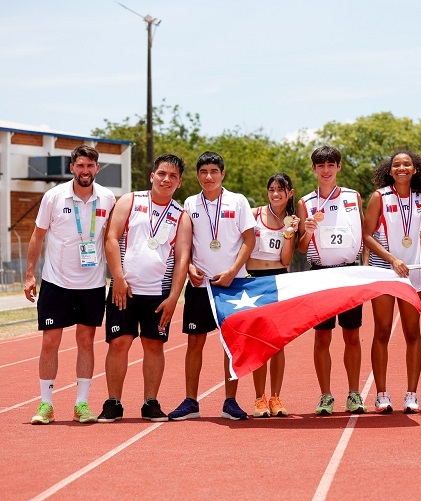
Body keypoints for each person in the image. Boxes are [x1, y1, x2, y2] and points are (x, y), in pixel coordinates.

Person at [25, 145, 116, 424]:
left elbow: (111, 240)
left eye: (90, 166)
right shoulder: (53, 197)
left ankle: (81, 404)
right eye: (80, 166)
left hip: (91, 283)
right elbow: (38, 236)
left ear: (97, 169)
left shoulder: (108, 198)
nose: (85, 171)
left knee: (86, 341)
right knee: (50, 341)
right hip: (56, 281)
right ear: (72, 168)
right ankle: (46, 405)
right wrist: (30, 274)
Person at [98, 154, 191, 422]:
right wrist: (118, 278)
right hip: (123, 290)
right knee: (119, 343)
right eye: (162, 173)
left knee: (154, 346)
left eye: (173, 176)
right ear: (152, 176)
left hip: (158, 294)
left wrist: (175, 297)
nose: (166, 179)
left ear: (179, 182)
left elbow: (183, 257)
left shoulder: (180, 215)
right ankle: (113, 402)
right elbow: (112, 238)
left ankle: (150, 402)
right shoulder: (130, 200)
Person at [167, 152, 256, 421]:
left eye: (214, 171)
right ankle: (191, 401)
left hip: (233, 284)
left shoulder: (238, 201)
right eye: (203, 171)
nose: (208, 176)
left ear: (222, 174)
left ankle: (230, 401)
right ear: (197, 175)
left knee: (231, 345)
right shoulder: (190, 203)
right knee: (194, 343)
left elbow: (249, 241)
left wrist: (232, 272)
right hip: (200, 284)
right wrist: (191, 267)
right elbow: (185, 243)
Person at [297, 146, 367, 415]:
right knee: (322, 337)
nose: (325, 170)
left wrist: (366, 268)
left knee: (352, 335)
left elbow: (363, 234)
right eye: (320, 165)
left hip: (349, 273)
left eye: (331, 165)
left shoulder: (354, 197)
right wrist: (307, 232)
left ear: (339, 167)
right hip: (321, 274)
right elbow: (303, 248)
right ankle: (326, 395)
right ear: (314, 169)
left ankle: (353, 393)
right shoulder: (306, 203)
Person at [363, 151, 421, 413]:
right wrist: (391, 259)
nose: (402, 168)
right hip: (385, 271)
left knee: (413, 333)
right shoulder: (379, 197)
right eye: (396, 165)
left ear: (415, 170)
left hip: (412, 272)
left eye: (407, 164)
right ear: (390, 171)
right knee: (382, 331)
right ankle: (381, 394)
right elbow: (367, 236)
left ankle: (412, 394)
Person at [245, 172, 299, 417]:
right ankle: (259, 398)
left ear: (290, 193)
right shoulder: (254, 214)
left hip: (278, 281)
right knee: (258, 342)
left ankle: (276, 397)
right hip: (254, 282)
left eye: (281, 190)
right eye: (272, 189)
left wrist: (289, 233)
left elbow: (286, 259)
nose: (275, 194)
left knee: (277, 344)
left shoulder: (291, 220)